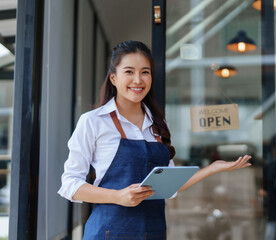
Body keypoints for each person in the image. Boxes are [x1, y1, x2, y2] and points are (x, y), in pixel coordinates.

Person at [58, 40, 252, 239]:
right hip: (108, 232)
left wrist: (213, 168)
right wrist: (117, 196)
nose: (138, 80)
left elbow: (169, 183)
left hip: (153, 232)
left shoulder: (157, 123)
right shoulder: (93, 121)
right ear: (114, 78)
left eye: (145, 72)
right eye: (129, 72)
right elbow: (70, 184)